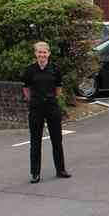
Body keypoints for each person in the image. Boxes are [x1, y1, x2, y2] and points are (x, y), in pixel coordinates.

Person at [22, 41, 71, 183]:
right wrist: (33, 101)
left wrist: (51, 99)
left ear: (48, 53)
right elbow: (26, 89)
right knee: (35, 141)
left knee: (57, 139)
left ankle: (61, 169)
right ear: (35, 54)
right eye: (39, 52)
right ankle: (35, 173)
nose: (42, 55)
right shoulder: (30, 70)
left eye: (44, 52)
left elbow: (58, 89)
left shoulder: (55, 69)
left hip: (52, 107)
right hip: (36, 108)